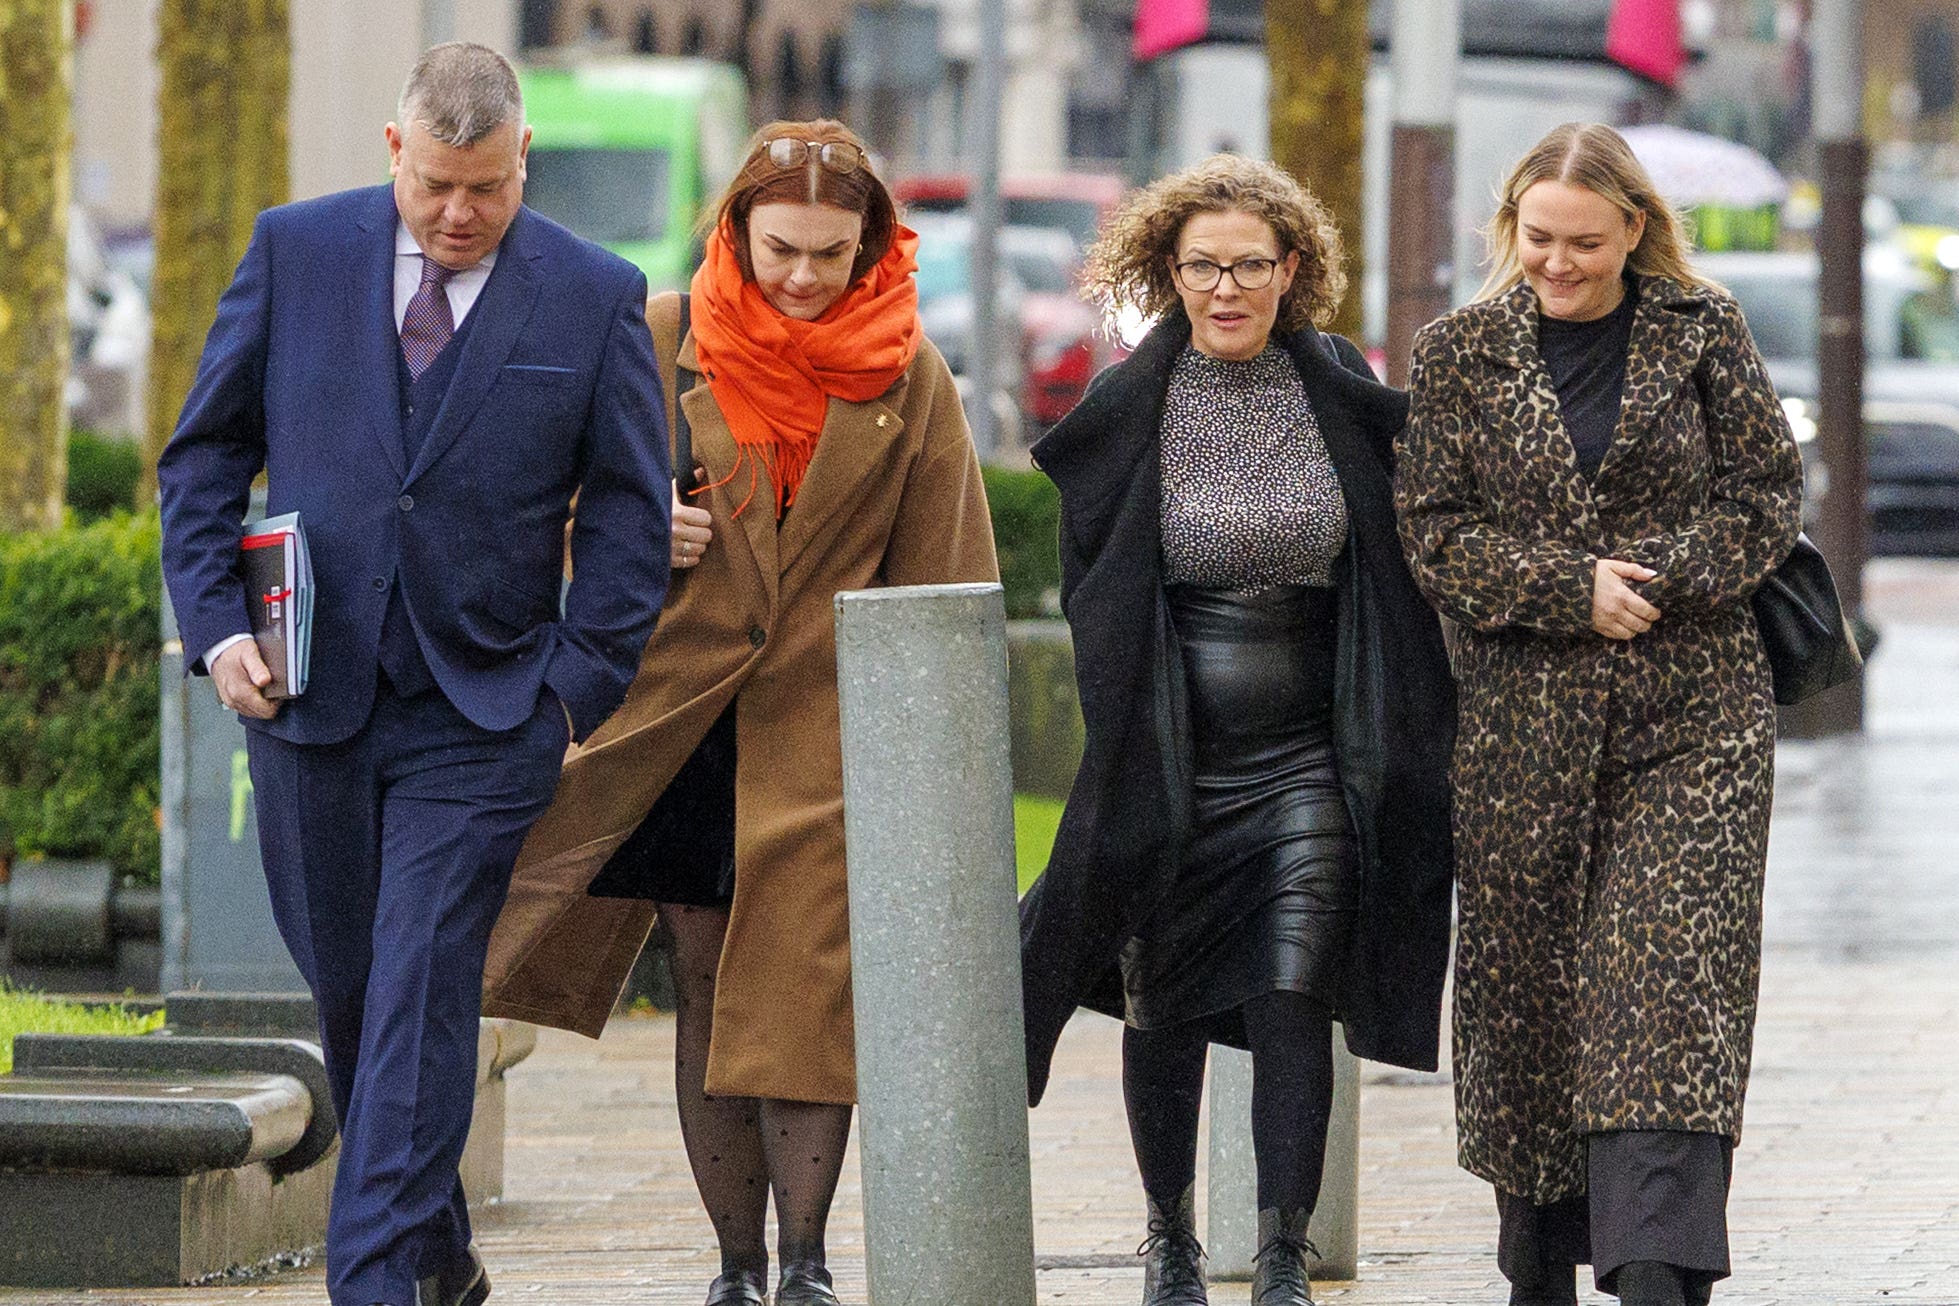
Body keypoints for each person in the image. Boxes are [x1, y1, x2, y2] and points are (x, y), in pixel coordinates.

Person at [156, 43, 670, 1306]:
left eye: (486, 189)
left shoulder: (594, 294)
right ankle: (435, 1254)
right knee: (357, 994)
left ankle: (376, 1281)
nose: (458, 214)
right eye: (437, 184)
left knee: (424, 979)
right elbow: (203, 459)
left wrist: (573, 686)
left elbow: (628, 509)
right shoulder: (296, 251)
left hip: (487, 710)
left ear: (523, 159)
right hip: (303, 700)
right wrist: (221, 632)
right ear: (396, 152)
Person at [480, 120, 1000, 1306]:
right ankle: (734, 1265)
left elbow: (951, 575)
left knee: (807, 983)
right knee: (709, 977)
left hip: (827, 726)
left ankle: (808, 1266)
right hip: (676, 720)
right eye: (782, 251)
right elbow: (527, 500)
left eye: (832, 253)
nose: (808, 279)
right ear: (735, 231)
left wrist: (932, 765)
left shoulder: (910, 373)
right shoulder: (658, 336)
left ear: (871, 244)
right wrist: (622, 534)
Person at [1017, 153, 1456, 1306]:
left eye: (1250, 265)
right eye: (1203, 266)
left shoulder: (1341, 388)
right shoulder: (1126, 405)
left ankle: (1280, 1251)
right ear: (1166, 270)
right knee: (1161, 1001)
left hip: (1311, 751)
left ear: (1291, 270)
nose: (1226, 288)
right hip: (1173, 752)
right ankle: (1166, 1237)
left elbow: (1405, 551)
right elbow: (1094, 584)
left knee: (1293, 992)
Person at [1394, 123, 1804, 1306]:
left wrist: (1654, 579)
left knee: (1665, 1003)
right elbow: (1435, 532)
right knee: (1534, 1007)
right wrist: (1564, 590)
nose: (1558, 264)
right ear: (1509, 229)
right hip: (1524, 734)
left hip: (1697, 727)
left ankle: (1658, 1275)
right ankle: (1540, 1268)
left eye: (1584, 241)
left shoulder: (1702, 332)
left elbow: (1768, 494)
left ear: (1635, 228)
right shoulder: (1461, 354)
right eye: (1537, 240)